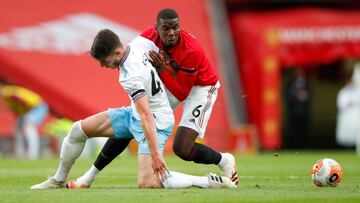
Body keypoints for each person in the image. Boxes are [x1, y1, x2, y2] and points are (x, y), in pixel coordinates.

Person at [30, 29, 236, 189]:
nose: (103, 66)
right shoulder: (140, 43)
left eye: (104, 61)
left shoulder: (130, 76)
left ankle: (208, 181)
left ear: (118, 52)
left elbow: (146, 115)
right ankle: (58, 180)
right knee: (78, 130)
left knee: (148, 182)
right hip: (134, 114)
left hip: (155, 120)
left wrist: (156, 154)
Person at [0, 83, 49, 159]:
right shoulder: (5, 97)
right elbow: (16, 109)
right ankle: (19, 153)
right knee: (17, 129)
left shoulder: (6, 92)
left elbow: (21, 100)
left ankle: (32, 154)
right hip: (27, 110)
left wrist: (25, 116)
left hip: (36, 107)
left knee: (28, 128)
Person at [285, 67, 312, 148]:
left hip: (304, 111)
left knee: (304, 130)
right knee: (294, 130)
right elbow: (287, 95)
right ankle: (294, 146)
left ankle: (304, 146)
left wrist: (305, 96)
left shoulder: (307, 83)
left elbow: (311, 95)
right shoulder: (291, 83)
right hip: (294, 111)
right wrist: (296, 96)